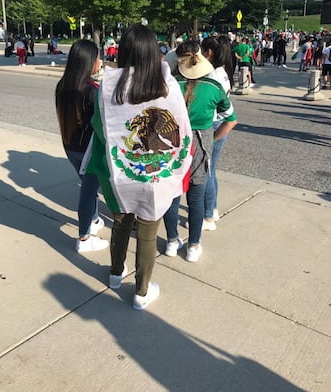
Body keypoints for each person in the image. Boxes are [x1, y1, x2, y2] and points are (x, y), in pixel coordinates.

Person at [82, 24, 193, 310]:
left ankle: (116, 275)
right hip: (156, 175)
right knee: (147, 230)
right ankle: (142, 292)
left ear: (123, 51)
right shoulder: (169, 87)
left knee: (120, 223)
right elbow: (183, 129)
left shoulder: (107, 87)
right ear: (154, 52)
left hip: (120, 173)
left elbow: (99, 127)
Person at [163, 40, 237, 262]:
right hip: (200, 148)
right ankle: (193, 246)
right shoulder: (213, 88)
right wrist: (212, 139)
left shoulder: (168, 86)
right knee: (196, 200)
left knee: (172, 198)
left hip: (172, 146)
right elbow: (230, 120)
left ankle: (172, 241)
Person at [55, 39, 109, 253]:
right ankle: (84, 238)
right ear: (89, 61)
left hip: (70, 145)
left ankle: (94, 219)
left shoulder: (63, 85)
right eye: (98, 57)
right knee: (88, 191)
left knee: (89, 187)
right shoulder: (91, 91)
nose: (101, 61)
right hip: (88, 150)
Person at [200, 36, 235, 231]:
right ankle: (211, 209)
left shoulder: (212, 75)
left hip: (212, 123)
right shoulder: (223, 72)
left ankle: (207, 216)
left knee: (206, 172)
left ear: (209, 52)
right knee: (211, 170)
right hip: (220, 122)